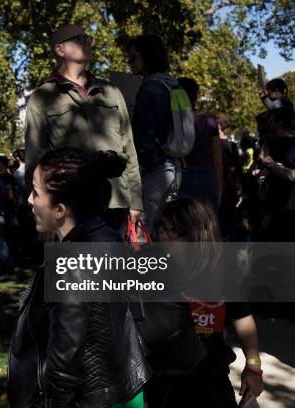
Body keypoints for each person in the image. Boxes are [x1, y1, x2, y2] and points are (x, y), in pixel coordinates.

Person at [9, 147, 150, 408]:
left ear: (60, 210)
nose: (29, 200)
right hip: (123, 392)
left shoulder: (72, 263)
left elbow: (64, 363)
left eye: (36, 192)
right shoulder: (109, 238)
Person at [25, 24, 144, 235]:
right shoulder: (42, 97)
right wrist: (43, 211)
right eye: (79, 38)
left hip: (116, 202)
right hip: (71, 207)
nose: (87, 42)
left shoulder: (112, 92)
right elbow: (36, 158)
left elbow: (129, 148)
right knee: (76, 266)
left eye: (87, 37)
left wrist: (136, 201)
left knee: (114, 266)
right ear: (60, 50)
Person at [145, 197, 263, 407]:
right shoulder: (151, 264)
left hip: (210, 376)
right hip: (163, 380)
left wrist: (253, 366)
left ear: (196, 233)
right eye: (162, 229)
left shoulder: (225, 269)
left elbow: (242, 317)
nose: (164, 236)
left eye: (174, 231)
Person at [127, 35, 182, 233]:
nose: (129, 63)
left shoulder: (149, 88)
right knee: (165, 232)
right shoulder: (172, 83)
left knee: (143, 233)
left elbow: (144, 141)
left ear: (147, 56)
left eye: (133, 58)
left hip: (155, 170)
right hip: (175, 168)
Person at [178, 77, 223, 212]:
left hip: (182, 178)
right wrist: (219, 190)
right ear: (195, 97)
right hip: (207, 179)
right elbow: (217, 161)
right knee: (206, 226)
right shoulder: (209, 121)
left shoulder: (173, 122)